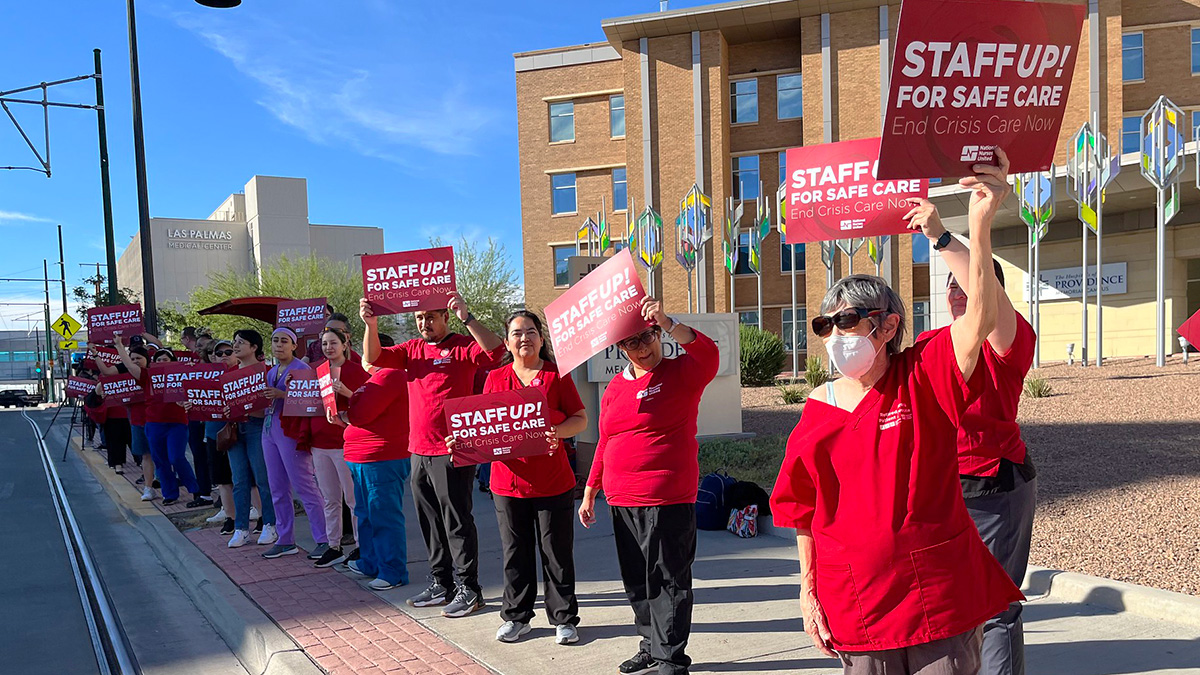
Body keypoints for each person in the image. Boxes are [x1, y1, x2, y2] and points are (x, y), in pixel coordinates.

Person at [770, 151, 1022, 675]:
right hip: (857, 604)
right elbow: (801, 509)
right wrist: (807, 592)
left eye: (848, 322)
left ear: (886, 327)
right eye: (826, 326)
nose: (837, 336)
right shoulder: (816, 410)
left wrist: (977, 223)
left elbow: (981, 316)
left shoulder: (923, 374)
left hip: (934, 599)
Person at [905, 197, 1039, 675]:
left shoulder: (1010, 340)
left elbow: (985, 299)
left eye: (965, 283)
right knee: (951, 602)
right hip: (944, 487)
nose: (956, 292)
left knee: (996, 607)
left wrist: (943, 237)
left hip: (995, 485)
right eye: (950, 286)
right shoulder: (930, 344)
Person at [580, 298, 720, 675]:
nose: (642, 348)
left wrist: (670, 322)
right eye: (632, 342)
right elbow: (606, 440)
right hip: (621, 500)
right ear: (620, 348)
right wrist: (591, 490)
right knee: (638, 582)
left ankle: (671, 660)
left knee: (669, 582)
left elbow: (709, 354)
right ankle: (650, 645)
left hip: (666, 497)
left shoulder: (682, 372)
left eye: (647, 337)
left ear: (657, 334)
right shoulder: (614, 388)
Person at [360, 292, 505, 617]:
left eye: (431, 317)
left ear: (445, 318)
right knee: (430, 522)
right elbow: (374, 356)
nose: (424, 323)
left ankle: (470, 589)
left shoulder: (462, 347)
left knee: (457, 521)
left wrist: (467, 317)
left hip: (452, 450)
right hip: (419, 449)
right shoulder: (412, 349)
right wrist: (370, 324)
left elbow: (496, 351)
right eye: (419, 318)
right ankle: (442, 582)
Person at [448, 310, 587, 645]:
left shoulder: (556, 375)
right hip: (508, 484)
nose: (524, 338)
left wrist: (558, 431)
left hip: (553, 481)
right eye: (517, 333)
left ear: (541, 337)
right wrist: (462, 442)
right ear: (507, 342)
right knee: (515, 554)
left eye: (530, 331)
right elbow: (483, 427)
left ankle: (564, 619)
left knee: (556, 554)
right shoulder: (495, 378)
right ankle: (516, 617)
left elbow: (580, 419)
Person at [333, 337, 412, 590]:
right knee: (365, 513)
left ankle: (392, 571)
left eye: (369, 350)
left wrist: (348, 412)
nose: (364, 356)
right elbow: (360, 412)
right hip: (363, 457)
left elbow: (362, 413)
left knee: (383, 514)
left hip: (381, 457)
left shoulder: (391, 375)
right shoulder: (375, 378)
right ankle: (370, 561)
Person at [261, 327, 327, 559]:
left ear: (293, 346)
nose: (279, 345)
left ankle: (324, 538)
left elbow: (312, 401)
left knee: (305, 485)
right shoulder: (271, 371)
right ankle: (285, 539)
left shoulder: (302, 369)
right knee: (277, 487)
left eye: (284, 341)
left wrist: (282, 394)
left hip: (291, 431)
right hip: (269, 429)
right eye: (275, 340)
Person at [306, 327, 370, 568]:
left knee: (353, 499)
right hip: (319, 443)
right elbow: (302, 400)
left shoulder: (356, 370)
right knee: (330, 499)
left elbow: (368, 404)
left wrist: (346, 392)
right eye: (324, 344)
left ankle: (361, 545)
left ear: (345, 345)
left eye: (333, 343)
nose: (328, 348)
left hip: (345, 443)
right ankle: (333, 546)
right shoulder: (316, 372)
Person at [131, 345, 202, 507]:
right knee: (160, 460)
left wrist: (192, 367)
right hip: (154, 423)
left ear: (173, 361)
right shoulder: (147, 376)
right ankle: (170, 494)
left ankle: (194, 488)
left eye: (165, 360)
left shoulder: (182, 375)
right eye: (159, 360)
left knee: (176, 457)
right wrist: (120, 346)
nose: (162, 362)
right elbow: (129, 365)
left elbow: (201, 378)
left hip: (177, 423)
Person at [226, 330, 278, 549]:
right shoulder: (229, 374)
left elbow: (269, 405)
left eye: (241, 342)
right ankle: (241, 528)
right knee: (239, 481)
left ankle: (270, 524)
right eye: (234, 342)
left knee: (263, 478)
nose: (235, 346)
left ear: (254, 347)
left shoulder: (266, 372)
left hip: (258, 427)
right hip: (235, 429)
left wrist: (248, 407)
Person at [94, 341, 157, 500]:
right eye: (132, 358)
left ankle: (166, 482)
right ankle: (148, 487)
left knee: (161, 455)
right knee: (146, 455)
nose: (135, 361)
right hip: (137, 420)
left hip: (157, 420)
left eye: (138, 358)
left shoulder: (151, 373)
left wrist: (119, 346)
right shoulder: (124, 375)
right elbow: (107, 374)